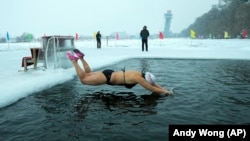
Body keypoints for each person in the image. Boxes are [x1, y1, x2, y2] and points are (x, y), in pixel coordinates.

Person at [66, 49, 172, 95]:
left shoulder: (140, 73)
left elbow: (153, 83)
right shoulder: (138, 79)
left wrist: (165, 89)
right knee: (84, 80)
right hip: (108, 77)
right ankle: (74, 61)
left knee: (88, 74)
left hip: (109, 72)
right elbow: (152, 88)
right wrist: (166, 92)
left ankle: (81, 58)